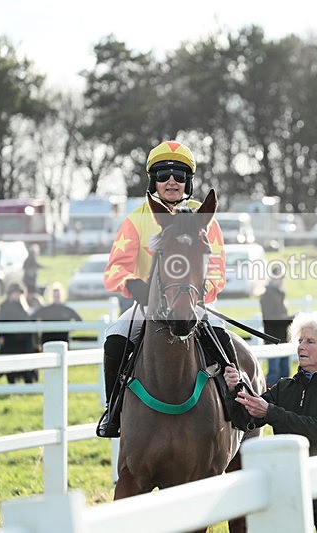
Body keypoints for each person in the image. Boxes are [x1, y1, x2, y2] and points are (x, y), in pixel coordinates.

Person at [97, 140, 227, 438]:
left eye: (179, 175)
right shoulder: (135, 219)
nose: (171, 181)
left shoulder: (204, 219)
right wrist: (134, 286)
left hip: (194, 302)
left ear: (188, 182)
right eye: (163, 174)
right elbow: (115, 268)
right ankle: (113, 410)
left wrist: (200, 296)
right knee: (115, 339)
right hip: (148, 305)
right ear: (153, 180)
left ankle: (236, 405)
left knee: (222, 338)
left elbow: (218, 266)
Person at [224, 311, 317, 532]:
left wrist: (271, 412)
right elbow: (244, 421)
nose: (301, 346)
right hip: (291, 495)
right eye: (300, 340)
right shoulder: (284, 388)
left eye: (310, 341)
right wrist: (234, 391)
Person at [259, 263, 293, 387]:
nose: (282, 279)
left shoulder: (280, 294)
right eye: (280, 276)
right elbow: (270, 319)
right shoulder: (267, 295)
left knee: (285, 373)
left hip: (283, 338)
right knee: (274, 374)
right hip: (272, 339)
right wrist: (290, 318)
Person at [0, 282, 38, 384]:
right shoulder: (5, 306)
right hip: (10, 340)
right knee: (10, 363)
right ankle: (11, 383)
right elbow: (1, 321)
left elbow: (30, 320)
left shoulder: (25, 306)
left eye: (19, 293)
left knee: (27, 363)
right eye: (15, 293)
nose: (17, 295)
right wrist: (1, 336)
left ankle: (28, 383)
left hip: (24, 340)